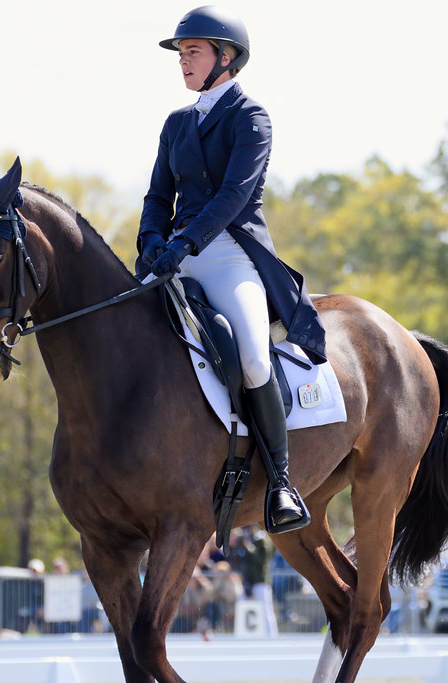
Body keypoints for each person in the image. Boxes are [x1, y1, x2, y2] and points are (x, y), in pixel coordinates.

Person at [138, 5, 325, 535]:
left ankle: (283, 482)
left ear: (226, 56)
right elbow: (157, 194)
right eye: (181, 53)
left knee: (250, 357)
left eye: (192, 51)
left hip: (227, 253)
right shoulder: (177, 123)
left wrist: (187, 241)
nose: (183, 61)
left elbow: (233, 196)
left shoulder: (250, 117)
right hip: (173, 253)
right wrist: (152, 238)